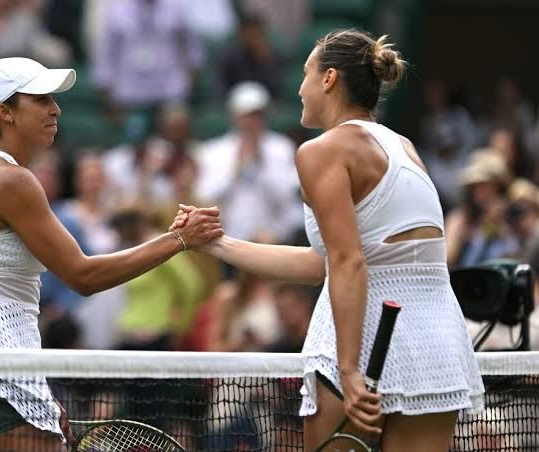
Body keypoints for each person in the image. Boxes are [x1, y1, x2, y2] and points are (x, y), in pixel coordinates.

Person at [174, 29, 484, 451]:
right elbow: (321, 261)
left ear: (329, 78)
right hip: (435, 340)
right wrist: (217, 243)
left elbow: (347, 262)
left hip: (362, 331)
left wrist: (350, 369)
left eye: (306, 74)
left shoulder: (322, 150)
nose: (299, 89)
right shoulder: (404, 147)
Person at [0, 57, 223, 451]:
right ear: (5, 112)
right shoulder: (8, 180)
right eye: (41, 99)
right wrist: (178, 240)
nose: (56, 109)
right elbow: (83, 275)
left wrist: (38, 389)